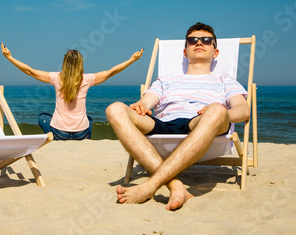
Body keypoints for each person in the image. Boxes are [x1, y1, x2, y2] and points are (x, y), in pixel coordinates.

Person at [105, 22, 250, 210]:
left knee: (217, 109)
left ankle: (150, 185)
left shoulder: (225, 81)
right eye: (192, 40)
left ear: (215, 52)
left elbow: (243, 109)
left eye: (206, 40)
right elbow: (148, 101)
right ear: (185, 51)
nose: (199, 43)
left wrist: (218, 113)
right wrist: (141, 106)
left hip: (200, 124)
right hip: (164, 123)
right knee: (114, 109)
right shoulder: (167, 79)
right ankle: (175, 184)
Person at [1, 43, 144, 140]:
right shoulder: (87, 79)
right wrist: (132, 59)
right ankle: (86, 137)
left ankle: (52, 137)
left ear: (65, 63)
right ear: (81, 64)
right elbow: (110, 72)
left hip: (59, 133)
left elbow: (30, 71)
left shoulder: (57, 78)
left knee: (42, 117)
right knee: (89, 119)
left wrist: (9, 57)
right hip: (81, 134)